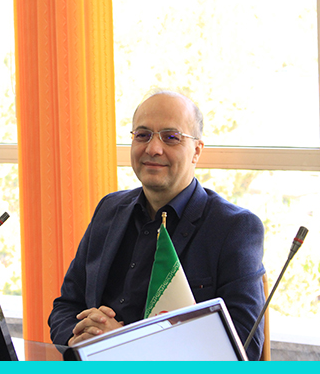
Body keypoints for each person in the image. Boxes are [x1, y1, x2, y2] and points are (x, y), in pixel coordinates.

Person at [48, 90, 266, 360]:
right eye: (142, 135)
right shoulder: (109, 209)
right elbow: (66, 306)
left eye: (171, 137)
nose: (153, 148)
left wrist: (121, 345)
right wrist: (79, 339)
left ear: (197, 151)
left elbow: (243, 346)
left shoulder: (234, 228)